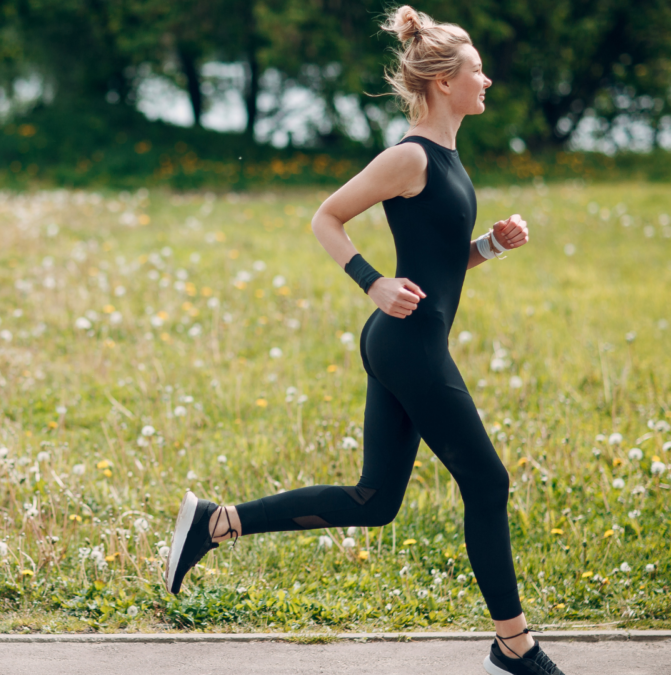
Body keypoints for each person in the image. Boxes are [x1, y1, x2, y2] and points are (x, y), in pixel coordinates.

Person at [164, 6, 564, 675]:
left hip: (405, 339)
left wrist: (491, 246)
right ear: (443, 82)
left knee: (375, 500)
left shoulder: (445, 156)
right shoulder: (408, 155)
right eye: (476, 70)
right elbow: (326, 217)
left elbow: (436, 263)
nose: (487, 79)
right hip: (407, 343)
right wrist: (372, 282)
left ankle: (214, 522)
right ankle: (515, 643)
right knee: (487, 482)